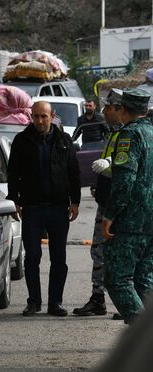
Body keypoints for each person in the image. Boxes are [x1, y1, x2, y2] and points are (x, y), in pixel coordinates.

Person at [7, 101, 81, 317]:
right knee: (32, 257)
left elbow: (74, 173)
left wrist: (75, 201)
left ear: (52, 116)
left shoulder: (64, 140)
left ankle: (55, 303)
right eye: (36, 116)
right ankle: (34, 302)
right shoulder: (22, 140)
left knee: (59, 259)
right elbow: (13, 173)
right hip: (32, 208)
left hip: (59, 209)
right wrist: (15, 200)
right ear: (31, 116)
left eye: (43, 116)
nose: (39, 121)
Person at [100, 88, 153, 325]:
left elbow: (125, 181)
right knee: (144, 279)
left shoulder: (129, 136)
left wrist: (109, 215)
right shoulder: (151, 132)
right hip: (150, 220)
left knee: (118, 279)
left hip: (132, 220)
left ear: (123, 109)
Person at [73, 89, 124, 318]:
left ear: (118, 109)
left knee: (117, 254)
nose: (103, 111)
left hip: (119, 207)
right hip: (107, 202)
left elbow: (128, 165)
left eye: (107, 107)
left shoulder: (129, 134)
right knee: (99, 252)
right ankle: (99, 298)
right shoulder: (114, 132)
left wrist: (109, 164)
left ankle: (125, 303)